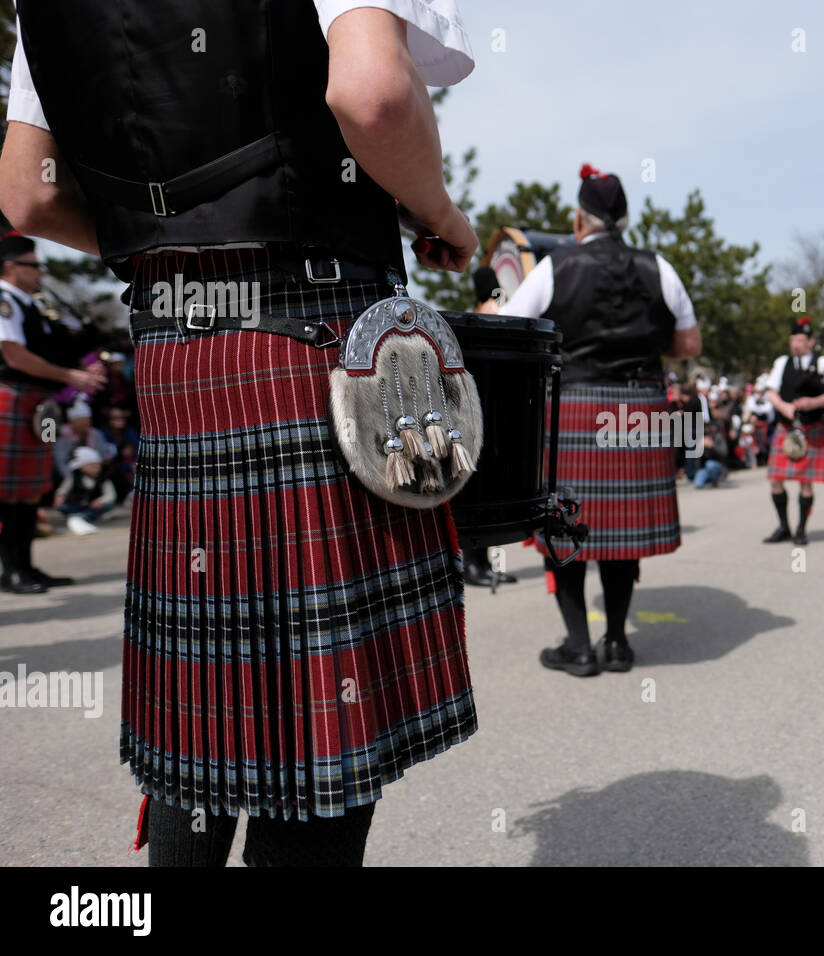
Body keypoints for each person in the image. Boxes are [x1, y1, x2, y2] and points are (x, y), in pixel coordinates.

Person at [2, 0, 480, 865]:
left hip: (176, 364)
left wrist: (160, 238)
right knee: (320, 726)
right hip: (314, 341)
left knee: (202, 715)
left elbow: (25, 193)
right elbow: (373, 95)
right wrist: (441, 214)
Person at [502, 164, 700, 676]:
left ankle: (579, 647)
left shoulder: (555, 267)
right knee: (620, 532)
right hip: (641, 409)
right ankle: (617, 643)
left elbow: (511, 331)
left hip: (575, 405)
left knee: (565, 529)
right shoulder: (660, 267)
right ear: (625, 219)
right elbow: (689, 344)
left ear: (578, 219)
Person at [0, 233, 101, 593]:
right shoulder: (4, 301)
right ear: (11, 267)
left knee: (30, 488)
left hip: (39, 403)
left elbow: (56, 347)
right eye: (34, 265)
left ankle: (26, 567)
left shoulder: (35, 305)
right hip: (11, 397)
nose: (41, 271)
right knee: (8, 489)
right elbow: (14, 354)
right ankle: (11, 570)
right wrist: (69, 375)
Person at [460, 264, 519, 588]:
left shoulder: (476, 314)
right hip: (491, 413)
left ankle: (479, 564)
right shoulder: (495, 312)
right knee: (483, 490)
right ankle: (475, 565)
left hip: (477, 413)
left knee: (479, 488)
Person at [762, 317, 824, 546]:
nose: (795, 344)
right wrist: (784, 407)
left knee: (805, 482)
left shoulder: (823, 362)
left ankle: (801, 529)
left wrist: (814, 403)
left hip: (811, 427)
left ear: (811, 341)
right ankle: (784, 527)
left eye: (799, 339)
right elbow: (771, 393)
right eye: (792, 340)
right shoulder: (782, 362)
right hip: (786, 427)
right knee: (775, 480)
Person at [55, 445, 116, 534]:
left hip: (93, 505)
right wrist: (60, 495)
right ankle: (81, 515)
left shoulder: (103, 478)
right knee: (63, 507)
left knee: (108, 505)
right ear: (82, 467)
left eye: (98, 465)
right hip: (77, 504)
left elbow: (110, 495)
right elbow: (64, 489)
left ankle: (81, 517)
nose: (97, 468)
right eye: (92, 466)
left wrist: (101, 501)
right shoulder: (74, 477)